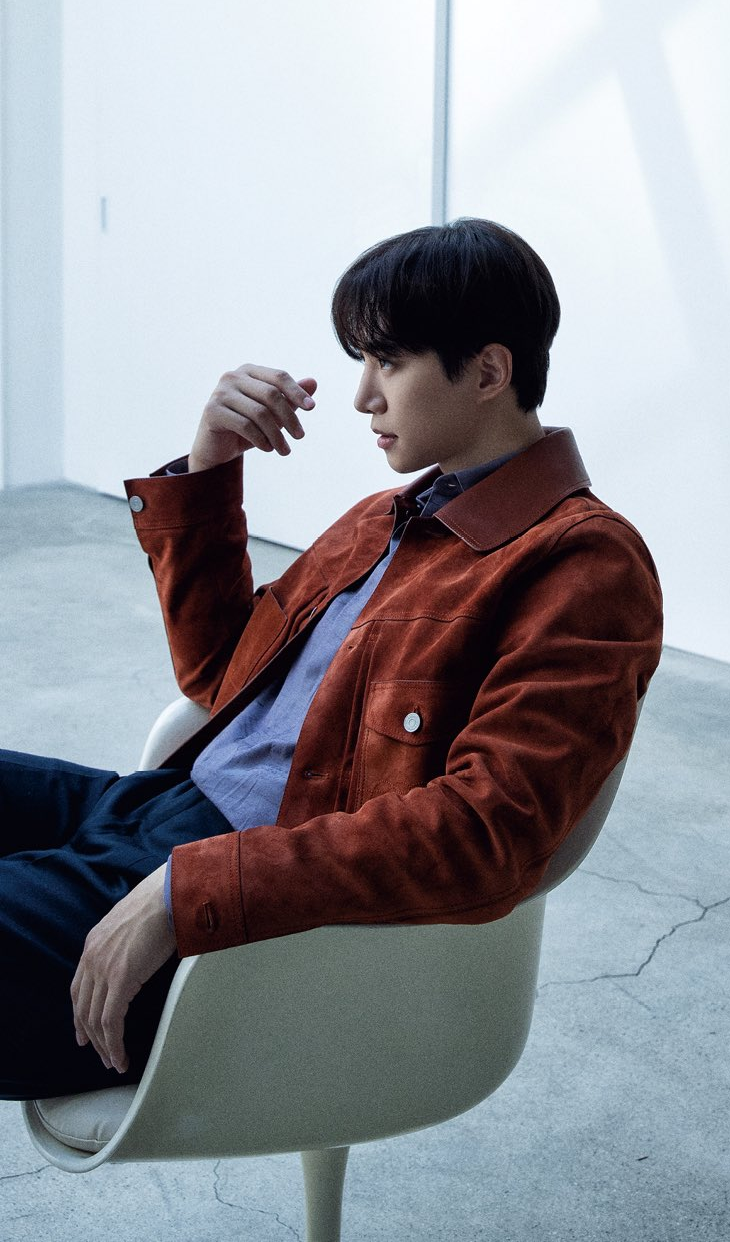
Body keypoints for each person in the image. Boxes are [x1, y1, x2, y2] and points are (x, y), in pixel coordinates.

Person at [0, 217, 663, 1100]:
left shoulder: (582, 564)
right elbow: (221, 681)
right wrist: (210, 464)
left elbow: (486, 834)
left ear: (488, 373)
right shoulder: (382, 520)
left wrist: (186, 890)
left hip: (236, 902)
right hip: (148, 810)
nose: (361, 397)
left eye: (387, 361)